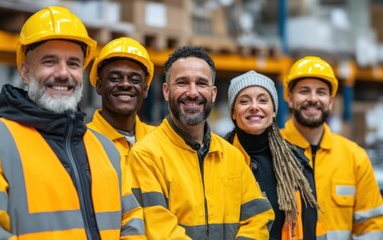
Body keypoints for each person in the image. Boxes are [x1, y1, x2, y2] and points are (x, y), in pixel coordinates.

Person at [0, 6, 145, 239]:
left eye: (73, 63)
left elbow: (132, 222)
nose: (63, 73)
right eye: (50, 61)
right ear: (25, 72)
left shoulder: (107, 152)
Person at [128, 45, 275, 239]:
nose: (192, 92)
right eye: (182, 82)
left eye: (201, 83)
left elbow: (258, 218)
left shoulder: (232, 156)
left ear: (213, 93)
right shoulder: (146, 156)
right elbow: (160, 231)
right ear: (166, 91)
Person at [281, 56, 383, 240]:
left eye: (321, 92)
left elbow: (370, 225)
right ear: (289, 98)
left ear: (330, 101)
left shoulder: (354, 157)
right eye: (304, 91)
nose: (313, 99)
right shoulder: (270, 151)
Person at [225, 70, 324, 240]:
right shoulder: (217, 159)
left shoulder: (297, 163)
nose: (254, 106)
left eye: (263, 100)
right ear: (233, 113)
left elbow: (308, 229)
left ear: (273, 111)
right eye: (244, 101)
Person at [87, 37, 155, 158]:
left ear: (145, 89)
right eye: (115, 78)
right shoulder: (83, 141)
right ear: (99, 86)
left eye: (134, 80)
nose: (125, 84)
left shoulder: (157, 139)